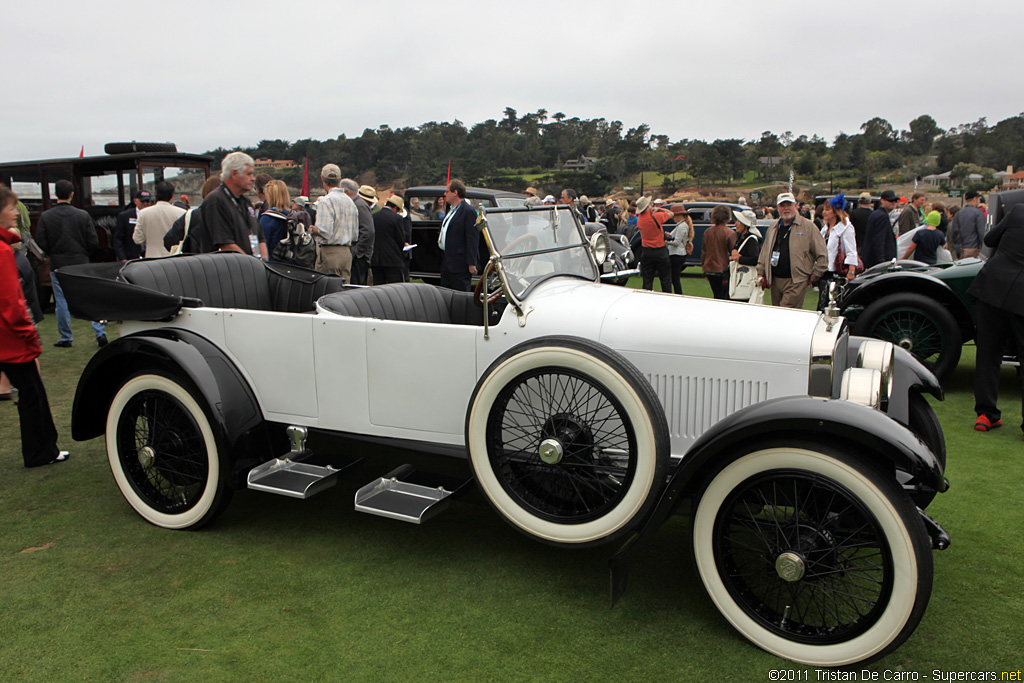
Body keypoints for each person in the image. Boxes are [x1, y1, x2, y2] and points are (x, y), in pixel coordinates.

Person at [0, 185, 69, 467]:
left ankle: (42, 451)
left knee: (30, 395)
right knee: (33, 398)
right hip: (11, 340)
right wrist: (28, 333)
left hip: (8, 338)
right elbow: (10, 302)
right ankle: (41, 452)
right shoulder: (3, 252)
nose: (16, 212)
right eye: (11, 207)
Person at [967, 203, 1024, 434]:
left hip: (992, 286)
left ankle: (985, 414)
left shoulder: (1018, 211)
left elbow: (990, 240)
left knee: (988, 353)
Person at [34, 179, 107, 347]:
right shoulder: (82, 215)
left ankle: (66, 337)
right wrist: (84, 253)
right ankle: (100, 332)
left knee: (61, 302)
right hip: (80, 261)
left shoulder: (46, 216)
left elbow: (41, 241)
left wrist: (52, 253)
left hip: (58, 262)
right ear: (72, 194)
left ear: (55, 194)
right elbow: (93, 241)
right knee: (89, 298)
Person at [756, 192, 827, 308]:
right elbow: (765, 252)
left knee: (785, 312)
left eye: (789, 205)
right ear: (778, 208)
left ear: (796, 205)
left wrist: (815, 275)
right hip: (775, 280)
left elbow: (822, 254)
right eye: (782, 205)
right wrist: (761, 272)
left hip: (796, 281)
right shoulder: (773, 227)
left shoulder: (808, 226)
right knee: (779, 313)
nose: (786, 208)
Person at [197, 152, 266, 258]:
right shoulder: (215, 201)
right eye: (249, 174)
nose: (253, 178)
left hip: (252, 269)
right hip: (226, 270)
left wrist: (263, 265)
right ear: (234, 174)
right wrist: (253, 266)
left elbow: (261, 239)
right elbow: (226, 245)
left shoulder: (246, 202)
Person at [310, 164, 358, 280]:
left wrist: (312, 229)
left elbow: (325, 231)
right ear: (340, 180)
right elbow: (355, 235)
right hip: (346, 253)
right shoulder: (350, 201)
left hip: (330, 253)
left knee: (328, 291)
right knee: (344, 292)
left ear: (322, 178)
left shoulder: (325, 201)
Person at [163, 176, 228, 253]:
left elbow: (169, 240)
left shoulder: (191, 216)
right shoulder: (229, 215)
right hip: (222, 262)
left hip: (196, 262)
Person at [818, 194, 860, 310]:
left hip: (837, 273)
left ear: (835, 211)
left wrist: (851, 271)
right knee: (822, 305)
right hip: (824, 271)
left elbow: (852, 251)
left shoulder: (846, 227)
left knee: (832, 305)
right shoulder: (825, 228)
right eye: (824, 210)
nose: (824, 212)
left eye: (828, 209)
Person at [438, 179, 479, 291]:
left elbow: (472, 238)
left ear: (455, 192)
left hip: (459, 263)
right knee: (446, 293)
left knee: (460, 293)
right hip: (447, 260)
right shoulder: (451, 210)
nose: (444, 194)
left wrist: (472, 263)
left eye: (447, 192)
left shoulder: (468, 211)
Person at [132, 181, 185, 258]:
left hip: (152, 259)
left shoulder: (143, 213)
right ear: (172, 196)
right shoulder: (182, 213)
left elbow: (137, 239)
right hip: (174, 259)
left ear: (156, 194)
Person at [635, 196, 673, 293]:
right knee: (665, 280)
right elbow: (671, 214)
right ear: (648, 206)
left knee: (647, 280)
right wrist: (659, 209)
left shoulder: (640, 220)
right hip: (660, 250)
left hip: (646, 251)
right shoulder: (656, 216)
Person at [371, 194, 409, 285]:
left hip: (376, 259)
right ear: (395, 207)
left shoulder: (374, 216)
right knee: (395, 288)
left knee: (378, 287)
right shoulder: (397, 218)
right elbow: (400, 239)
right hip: (393, 260)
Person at [702, 204, 736, 299]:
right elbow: (733, 251)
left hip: (710, 268)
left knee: (716, 295)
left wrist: (704, 267)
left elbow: (704, 252)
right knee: (724, 296)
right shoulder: (730, 232)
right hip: (723, 269)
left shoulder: (707, 231)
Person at [345, 181, 375, 285]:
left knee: (356, 285)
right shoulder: (359, 204)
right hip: (358, 254)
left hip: (359, 256)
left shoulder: (360, 205)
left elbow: (368, 231)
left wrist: (358, 252)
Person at [860, 189, 900, 268]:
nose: (893, 203)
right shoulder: (882, 216)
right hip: (876, 262)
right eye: (890, 200)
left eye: (895, 201)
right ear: (882, 201)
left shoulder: (877, 213)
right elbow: (879, 241)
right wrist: (882, 263)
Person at [729, 209, 761, 300]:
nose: (736, 224)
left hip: (745, 280)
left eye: (739, 222)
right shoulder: (742, 237)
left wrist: (739, 259)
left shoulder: (752, 240)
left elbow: (755, 259)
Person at [112, 190, 151, 261]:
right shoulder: (125, 216)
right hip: (131, 257)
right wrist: (123, 258)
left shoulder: (153, 215)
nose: (145, 204)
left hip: (150, 256)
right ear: (135, 201)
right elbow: (118, 239)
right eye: (142, 201)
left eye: (148, 201)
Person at [258, 180, 291, 261]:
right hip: (289, 262)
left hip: (273, 263)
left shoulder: (267, 218)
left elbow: (262, 242)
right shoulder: (292, 215)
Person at [666, 204, 694, 294]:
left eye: (674, 215)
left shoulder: (682, 226)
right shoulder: (681, 225)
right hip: (677, 254)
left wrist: (665, 241)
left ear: (679, 216)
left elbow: (676, 242)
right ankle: (678, 294)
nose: (673, 217)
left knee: (675, 278)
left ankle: (678, 294)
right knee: (674, 278)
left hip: (677, 254)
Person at [951, 190, 986, 258]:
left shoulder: (958, 214)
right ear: (975, 199)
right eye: (979, 199)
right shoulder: (978, 213)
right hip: (974, 250)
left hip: (960, 250)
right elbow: (982, 233)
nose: (979, 201)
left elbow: (954, 233)